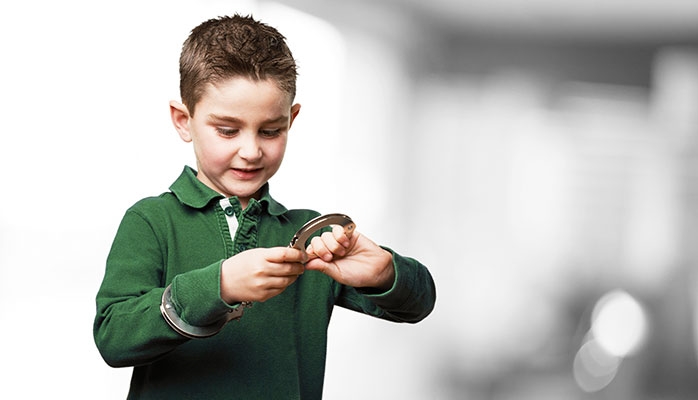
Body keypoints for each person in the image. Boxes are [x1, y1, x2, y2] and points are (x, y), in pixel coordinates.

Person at [93, 14, 436, 399]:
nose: (251, 150)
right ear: (183, 120)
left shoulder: (314, 241)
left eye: (271, 131)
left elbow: (419, 303)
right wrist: (219, 286)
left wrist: (385, 272)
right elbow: (113, 337)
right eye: (227, 130)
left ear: (291, 119)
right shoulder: (151, 221)